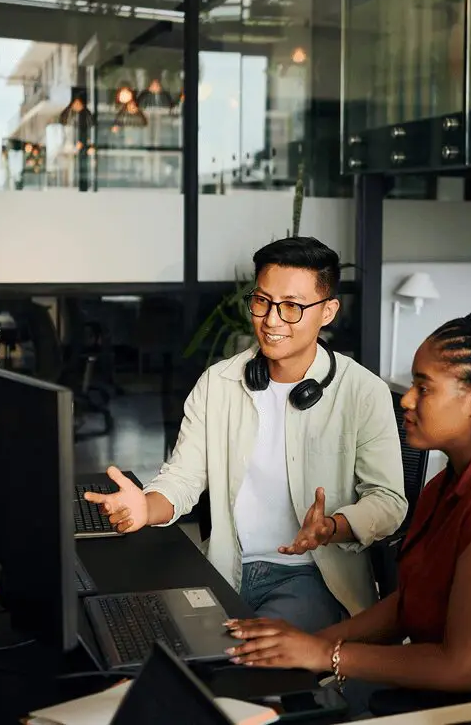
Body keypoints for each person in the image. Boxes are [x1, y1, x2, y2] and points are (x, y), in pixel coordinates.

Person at [223, 312, 471, 712]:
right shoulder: (446, 484)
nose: (407, 399)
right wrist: (315, 643)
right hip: (429, 694)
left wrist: (324, 656)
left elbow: (460, 668)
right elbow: (407, 606)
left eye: (424, 387)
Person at [84, 237, 407, 633]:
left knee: (248, 659)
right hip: (225, 567)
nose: (271, 320)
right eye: (262, 301)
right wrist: (146, 508)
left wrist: (334, 526)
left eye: (291, 307)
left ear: (328, 312)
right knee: (152, 641)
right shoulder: (218, 383)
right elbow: (184, 477)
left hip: (310, 577)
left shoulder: (362, 391)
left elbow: (388, 501)